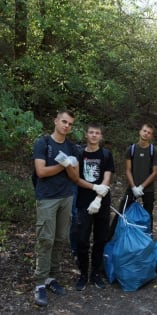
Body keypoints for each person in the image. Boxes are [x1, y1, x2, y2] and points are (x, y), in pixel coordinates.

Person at [32, 110, 79, 306]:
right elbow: (41, 171)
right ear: (56, 121)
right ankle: (39, 283)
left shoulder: (71, 147)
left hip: (66, 197)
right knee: (46, 240)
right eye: (63, 122)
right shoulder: (43, 143)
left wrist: (69, 165)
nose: (66, 126)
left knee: (61, 239)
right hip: (47, 198)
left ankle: (52, 278)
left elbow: (75, 177)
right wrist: (64, 164)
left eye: (69, 124)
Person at [74, 124, 115, 291]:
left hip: (102, 203)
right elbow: (75, 178)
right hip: (83, 202)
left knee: (100, 239)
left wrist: (98, 198)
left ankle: (95, 274)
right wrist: (92, 188)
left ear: (101, 136)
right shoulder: (79, 153)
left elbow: (107, 178)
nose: (94, 135)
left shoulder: (106, 154)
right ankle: (83, 274)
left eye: (97, 133)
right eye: (91, 132)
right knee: (82, 239)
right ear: (86, 135)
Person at [124, 123, 157, 233]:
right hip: (132, 187)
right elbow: (128, 170)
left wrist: (141, 187)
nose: (146, 134)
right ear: (140, 131)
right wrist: (134, 187)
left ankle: (147, 238)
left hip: (148, 189)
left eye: (149, 133)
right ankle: (118, 238)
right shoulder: (131, 149)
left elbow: (155, 172)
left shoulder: (154, 151)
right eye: (144, 131)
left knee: (148, 215)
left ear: (151, 136)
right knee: (123, 211)